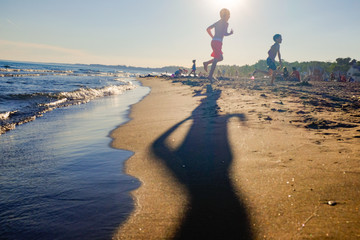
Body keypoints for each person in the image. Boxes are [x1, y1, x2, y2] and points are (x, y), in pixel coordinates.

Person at [203, 8, 233, 83]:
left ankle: (206, 63)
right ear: (226, 16)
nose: (229, 17)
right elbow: (225, 33)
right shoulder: (226, 23)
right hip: (218, 42)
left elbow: (208, 29)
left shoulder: (217, 22)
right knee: (217, 58)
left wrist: (212, 37)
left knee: (220, 58)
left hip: (214, 42)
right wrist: (230, 33)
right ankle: (210, 76)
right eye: (229, 16)